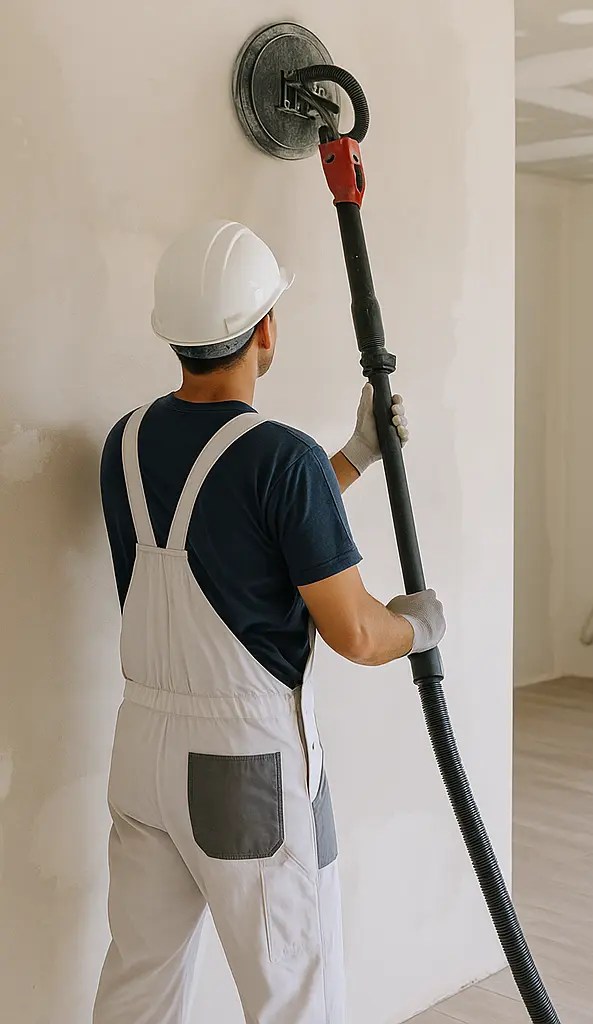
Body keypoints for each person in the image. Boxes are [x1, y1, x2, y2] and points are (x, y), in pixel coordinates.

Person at [92, 220, 444, 1024]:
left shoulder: (126, 441)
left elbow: (236, 530)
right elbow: (356, 632)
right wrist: (418, 626)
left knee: (139, 982)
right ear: (266, 331)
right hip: (244, 769)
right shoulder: (279, 455)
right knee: (295, 993)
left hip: (141, 754)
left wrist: (354, 455)